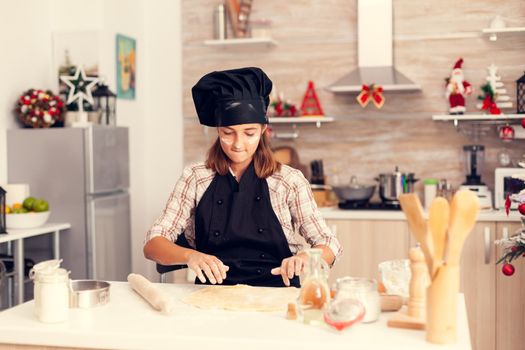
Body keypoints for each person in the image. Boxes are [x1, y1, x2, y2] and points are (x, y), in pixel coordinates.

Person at [143, 67, 341, 287]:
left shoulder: (288, 181)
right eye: (228, 133)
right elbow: (153, 243)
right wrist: (190, 256)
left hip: (277, 294)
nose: (238, 144)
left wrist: (305, 258)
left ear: (264, 129)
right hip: (212, 296)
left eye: (249, 133)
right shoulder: (195, 178)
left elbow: (329, 243)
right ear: (218, 130)